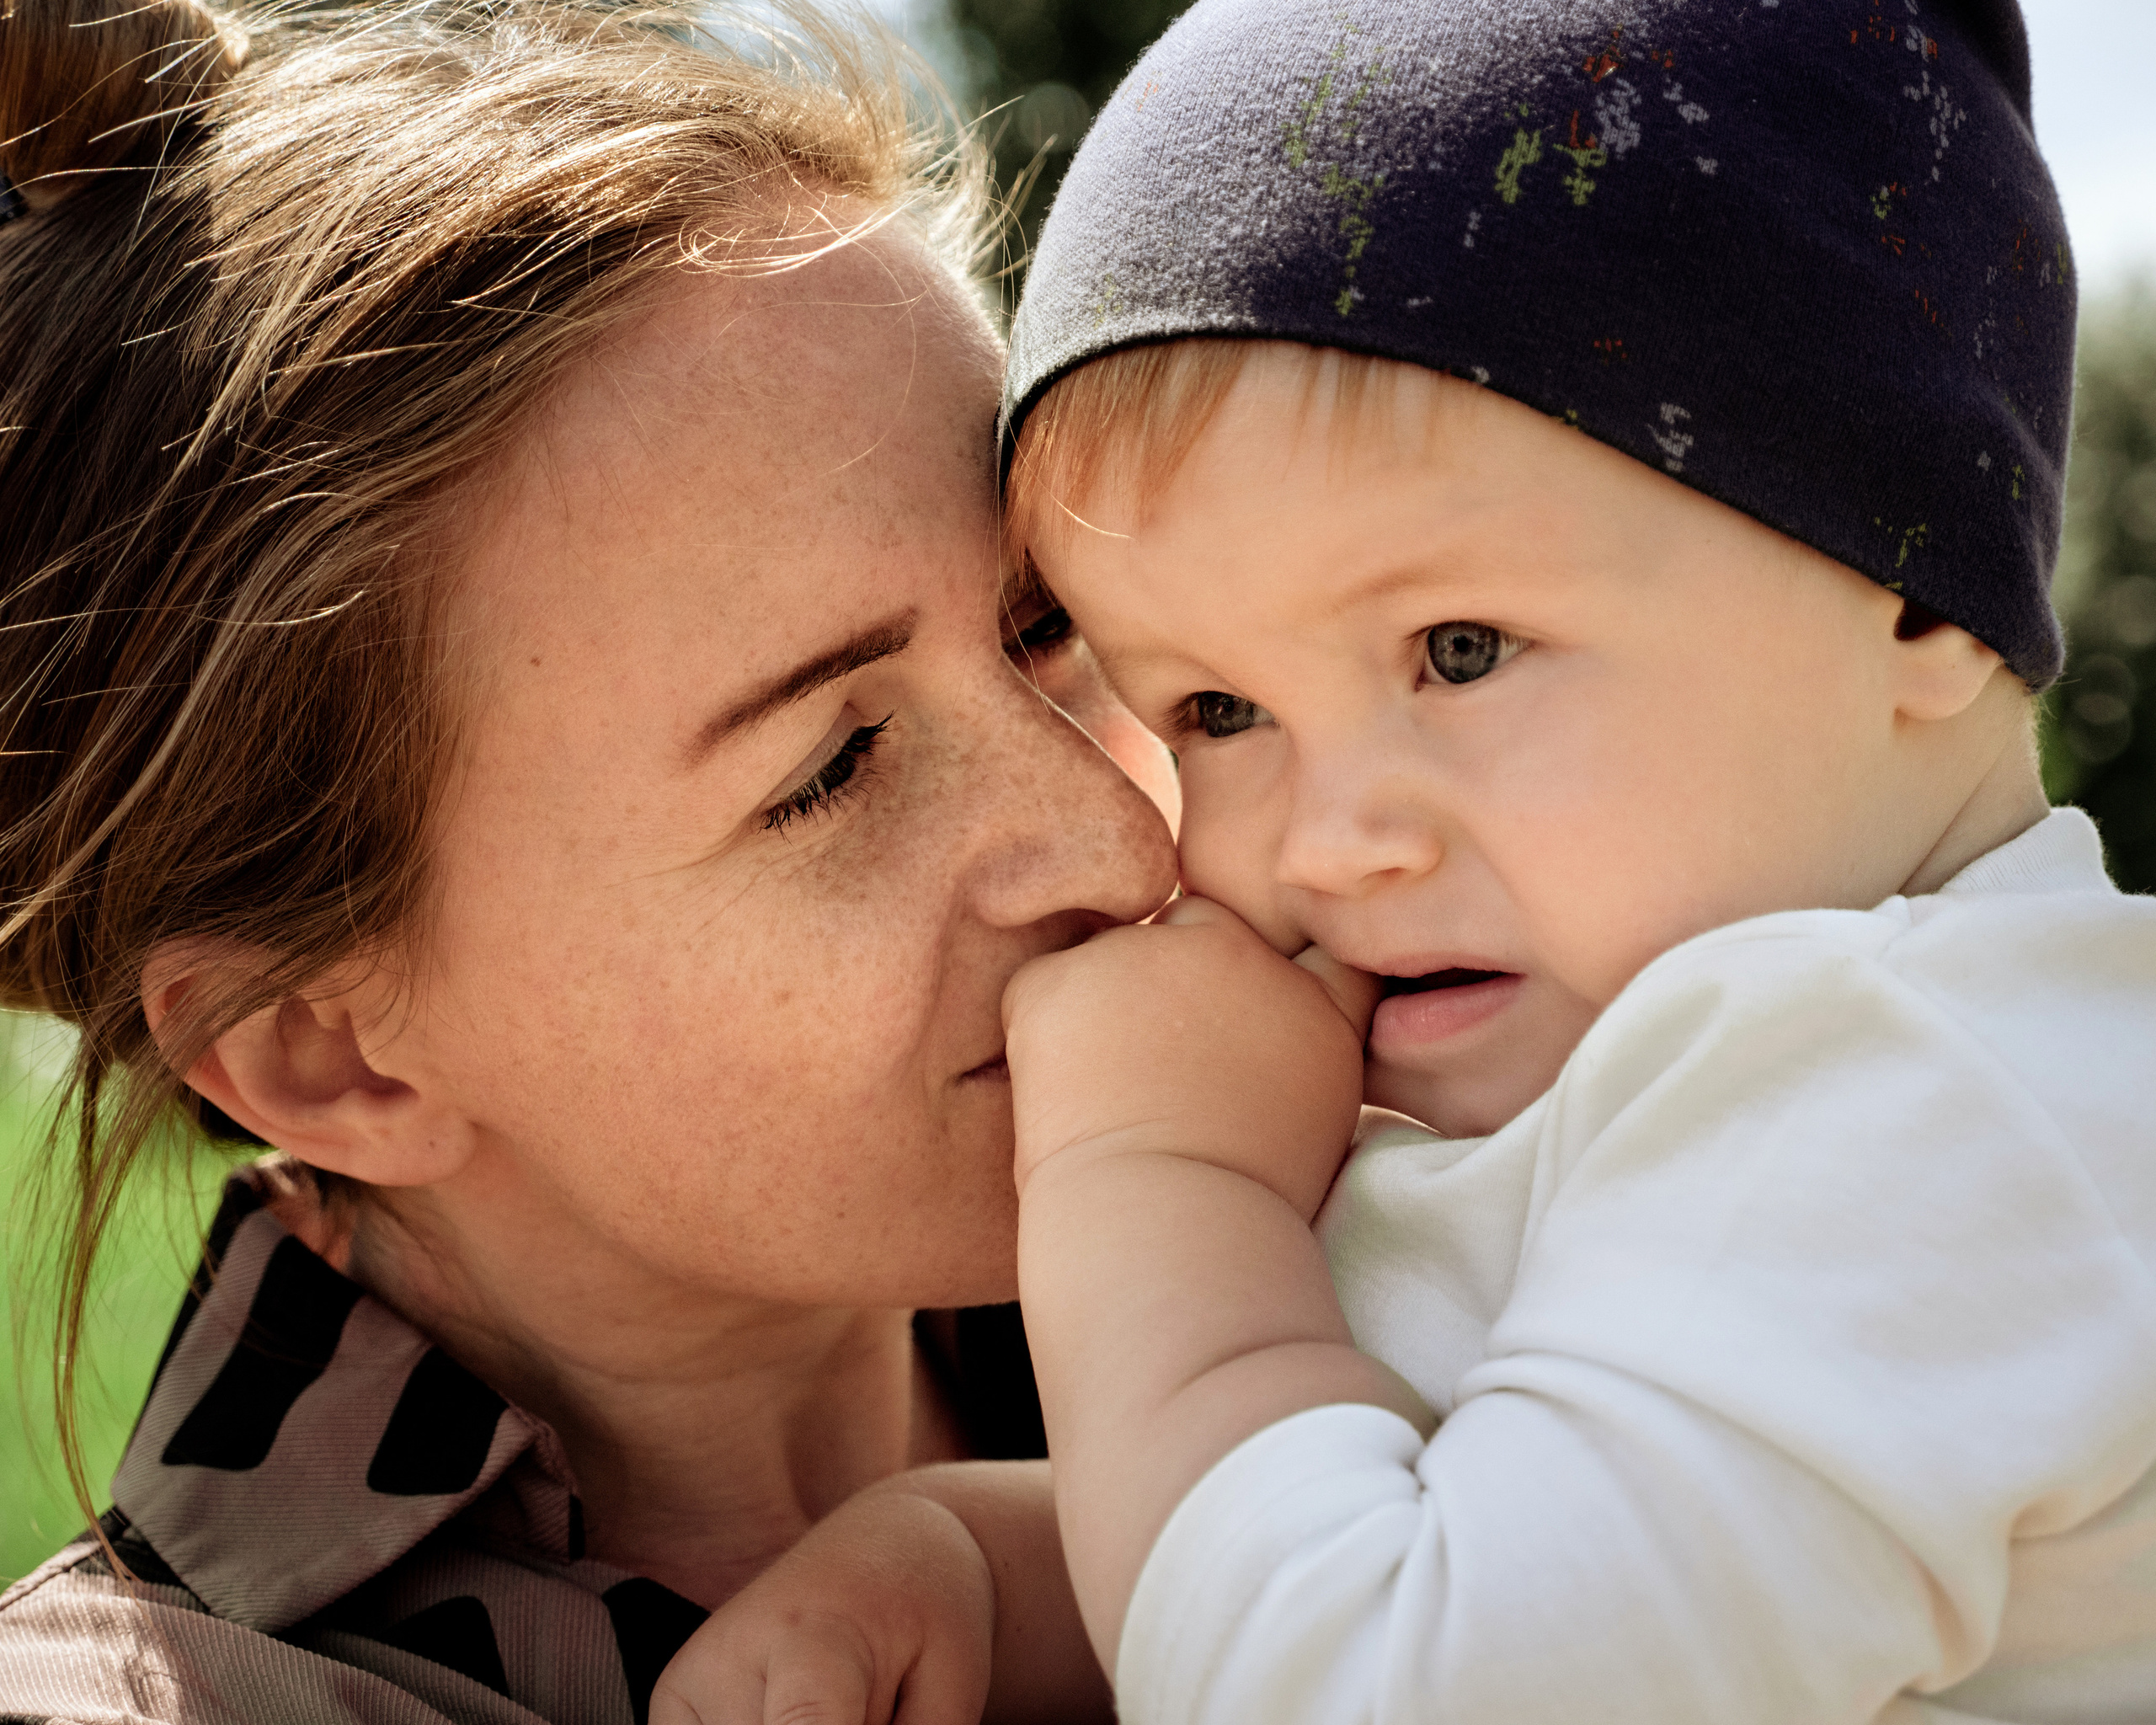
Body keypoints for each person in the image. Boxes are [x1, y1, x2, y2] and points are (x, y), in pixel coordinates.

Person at [658, 2, 2156, 1722]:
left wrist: (1163, 1191)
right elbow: (1449, 1525)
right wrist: (980, 1569)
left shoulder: (1920, 1112)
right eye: (1216, 707)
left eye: (1456, 651)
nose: (1329, 837)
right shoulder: (1760, 1076)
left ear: (1914, 586)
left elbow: (1374, 1673)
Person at [0, 2, 1179, 1720]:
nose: (1119, 836)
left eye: (1046, 621)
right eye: (831, 770)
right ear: (322, 1049)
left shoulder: (1435, 1281)